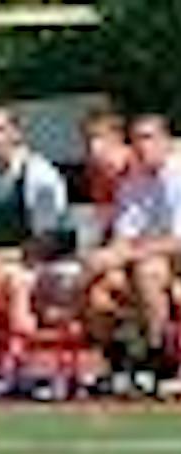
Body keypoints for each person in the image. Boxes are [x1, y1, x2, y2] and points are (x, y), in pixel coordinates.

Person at [0, 106, 72, 393]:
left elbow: (46, 241)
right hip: (1, 260)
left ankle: (17, 364)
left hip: (48, 262)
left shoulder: (39, 174)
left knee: (15, 283)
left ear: (16, 133)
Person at [84, 114, 181, 390]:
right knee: (98, 286)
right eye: (137, 139)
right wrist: (101, 260)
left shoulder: (177, 174)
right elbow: (124, 235)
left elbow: (178, 240)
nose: (142, 146)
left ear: (166, 141)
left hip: (167, 261)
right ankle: (119, 364)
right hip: (154, 260)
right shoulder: (134, 180)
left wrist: (124, 255)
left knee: (148, 271)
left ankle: (161, 361)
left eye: (149, 138)